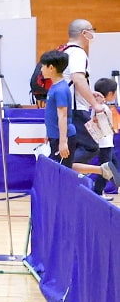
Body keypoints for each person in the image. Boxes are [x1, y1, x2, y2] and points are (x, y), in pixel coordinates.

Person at [63, 19, 103, 165]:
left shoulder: (65, 51)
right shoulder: (78, 53)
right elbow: (78, 79)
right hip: (76, 110)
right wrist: (95, 104)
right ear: (84, 33)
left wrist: (89, 93)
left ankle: (62, 177)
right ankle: (61, 171)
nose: (94, 33)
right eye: (92, 30)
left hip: (66, 107)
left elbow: (72, 82)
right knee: (90, 147)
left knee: (71, 147)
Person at [80, 76, 117, 194]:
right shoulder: (101, 108)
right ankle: (98, 191)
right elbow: (97, 121)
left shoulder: (98, 106)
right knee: (106, 168)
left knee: (112, 165)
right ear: (110, 93)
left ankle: (101, 189)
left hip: (105, 142)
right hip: (104, 143)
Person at [40, 50, 76, 167]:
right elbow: (52, 114)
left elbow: (63, 116)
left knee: (63, 172)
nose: (41, 70)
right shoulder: (55, 87)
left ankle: (102, 170)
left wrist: (63, 142)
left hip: (62, 138)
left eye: (43, 66)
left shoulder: (60, 90)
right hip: (54, 136)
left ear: (51, 68)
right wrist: (48, 133)